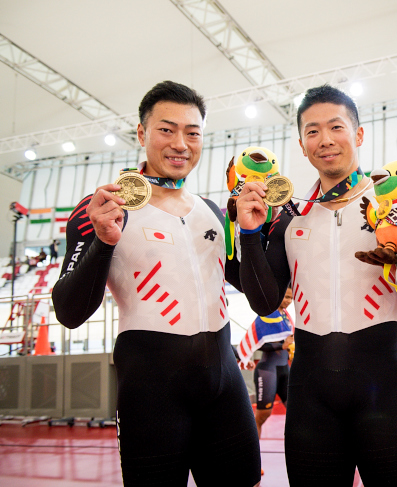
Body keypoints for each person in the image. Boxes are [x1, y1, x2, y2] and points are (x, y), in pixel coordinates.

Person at [235, 84, 397, 486]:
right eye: (313, 131)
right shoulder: (291, 216)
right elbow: (264, 302)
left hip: (383, 392)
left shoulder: (395, 205)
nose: (325, 140)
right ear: (301, 144)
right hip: (310, 401)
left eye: (336, 127)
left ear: (359, 134)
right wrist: (249, 234)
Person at [51, 81, 261, 487]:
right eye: (167, 129)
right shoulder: (103, 207)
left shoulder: (212, 211)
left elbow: (255, 286)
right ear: (142, 133)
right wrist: (104, 241)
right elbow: (69, 312)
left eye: (193, 132)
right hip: (151, 393)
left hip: (225, 385)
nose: (181, 143)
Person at [251, 286, 294, 438]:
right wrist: (282, 344)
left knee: (296, 413)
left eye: (291, 298)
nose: (288, 301)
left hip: (284, 369)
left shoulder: (286, 316)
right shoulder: (267, 315)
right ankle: (253, 452)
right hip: (268, 371)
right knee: (262, 415)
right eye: (286, 297)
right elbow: (257, 343)